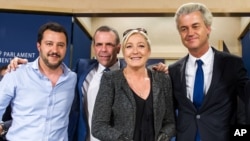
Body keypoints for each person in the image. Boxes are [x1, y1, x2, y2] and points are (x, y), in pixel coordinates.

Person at [6, 25, 168, 141]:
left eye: (109, 45)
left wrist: (163, 69)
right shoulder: (80, 69)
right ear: (93, 47)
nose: (103, 49)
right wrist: (22, 64)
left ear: (119, 48)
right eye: (99, 44)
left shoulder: (128, 74)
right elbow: (51, 71)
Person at [168, 2, 249, 141]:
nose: (190, 33)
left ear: (208, 28)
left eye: (195, 26)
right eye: (184, 29)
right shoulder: (173, 70)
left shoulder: (232, 64)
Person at [92, 28, 176, 141]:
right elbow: (98, 126)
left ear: (149, 51)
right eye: (129, 46)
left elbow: (170, 122)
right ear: (123, 51)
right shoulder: (110, 80)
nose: (135, 51)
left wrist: (164, 136)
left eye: (141, 46)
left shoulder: (162, 80)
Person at [0, 22, 77, 141]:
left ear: (66, 48)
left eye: (60, 45)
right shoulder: (16, 74)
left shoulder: (72, 78)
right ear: (39, 46)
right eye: (49, 44)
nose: (55, 50)